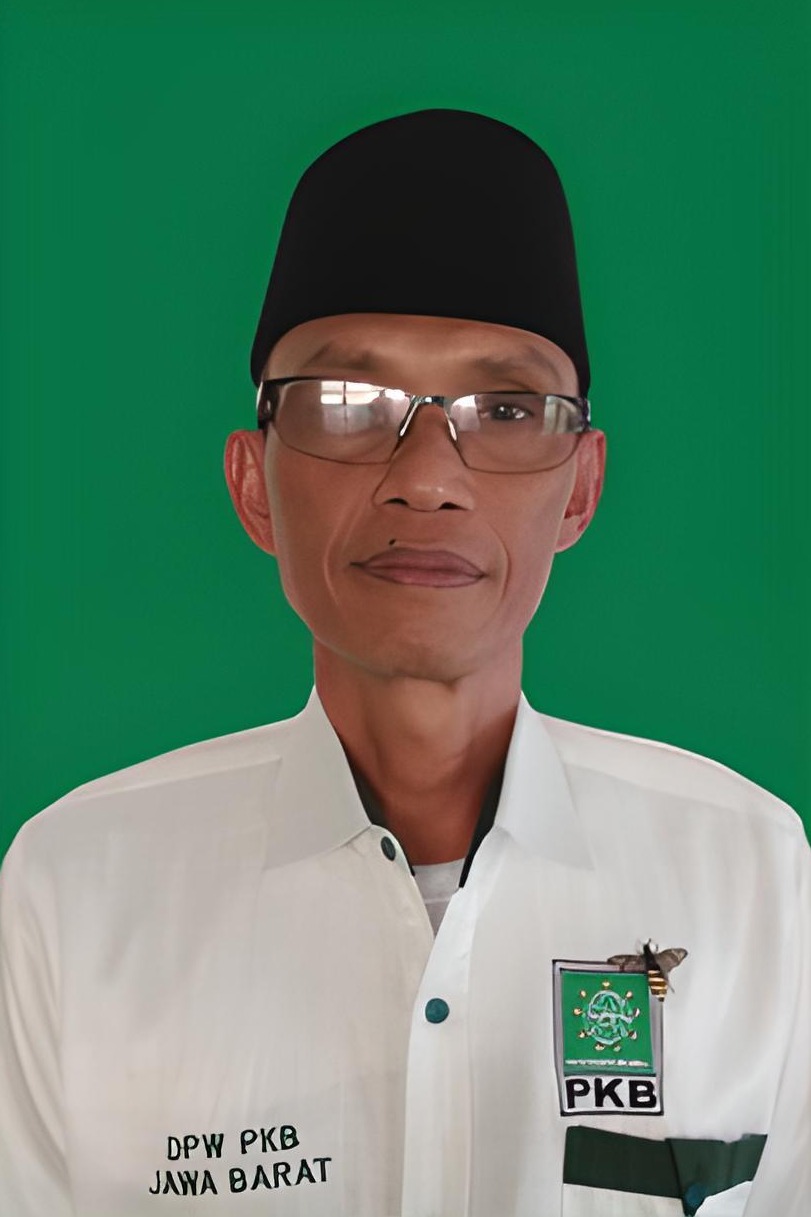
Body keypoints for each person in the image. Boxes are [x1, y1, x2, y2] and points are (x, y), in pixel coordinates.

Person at [0, 109, 808, 1217]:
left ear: (579, 488)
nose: (425, 477)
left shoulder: (754, 878)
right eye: (347, 402)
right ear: (253, 484)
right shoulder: (77, 889)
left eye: (506, 406)